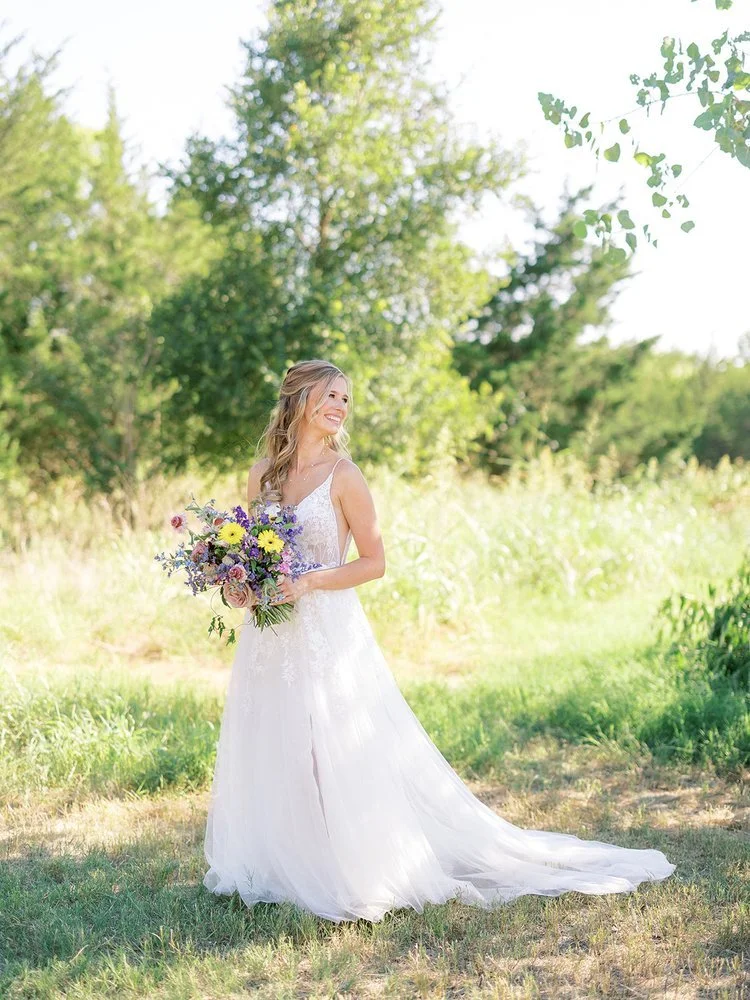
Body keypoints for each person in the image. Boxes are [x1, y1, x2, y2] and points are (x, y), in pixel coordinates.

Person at [203, 359, 676, 924]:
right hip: (271, 634)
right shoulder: (262, 476)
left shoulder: (345, 476)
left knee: (326, 747)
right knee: (275, 741)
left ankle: (345, 865)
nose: (340, 407)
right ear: (300, 398)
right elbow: (254, 553)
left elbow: (374, 563)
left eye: (346, 400)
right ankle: (281, 861)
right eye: (331, 395)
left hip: (326, 628)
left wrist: (309, 581)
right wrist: (239, 585)